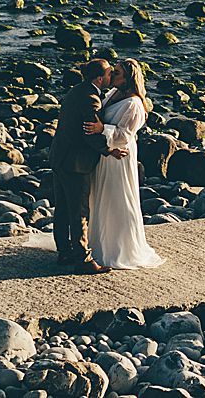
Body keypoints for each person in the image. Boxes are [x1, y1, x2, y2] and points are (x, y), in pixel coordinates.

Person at [88, 58, 165, 270]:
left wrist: (102, 129)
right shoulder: (114, 94)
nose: (112, 76)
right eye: (113, 72)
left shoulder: (134, 104)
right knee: (99, 197)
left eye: (117, 73)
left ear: (129, 79)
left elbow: (124, 136)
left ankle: (117, 249)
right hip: (106, 155)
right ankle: (95, 243)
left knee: (117, 197)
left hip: (119, 157)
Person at [49, 57, 111, 272]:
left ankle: (64, 252)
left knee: (63, 209)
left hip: (59, 157)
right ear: (100, 78)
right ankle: (83, 260)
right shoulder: (91, 99)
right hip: (76, 163)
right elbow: (90, 132)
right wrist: (108, 149)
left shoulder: (76, 90)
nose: (111, 76)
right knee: (79, 211)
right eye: (109, 73)